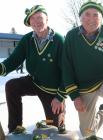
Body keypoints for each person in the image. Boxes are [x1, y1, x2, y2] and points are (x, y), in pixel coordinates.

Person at [52, 0, 103, 139]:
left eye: (96, 15)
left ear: (101, 18)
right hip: (84, 87)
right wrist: (75, 96)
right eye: (87, 14)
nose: (91, 19)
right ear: (80, 17)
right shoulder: (71, 36)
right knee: (87, 132)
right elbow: (67, 69)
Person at [0, 5, 66, 134]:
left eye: (40, 17)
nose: (36, 21)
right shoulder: (27, 39)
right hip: (35, 82)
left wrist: (60, 96)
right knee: (11, 86)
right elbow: (14, 60)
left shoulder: (58, 40)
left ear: (47, 19)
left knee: (55, 131)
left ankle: (60, 121)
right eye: (33, 19)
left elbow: (67, 71)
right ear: (29, 23)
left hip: (53, 90)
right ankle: (15, 129)